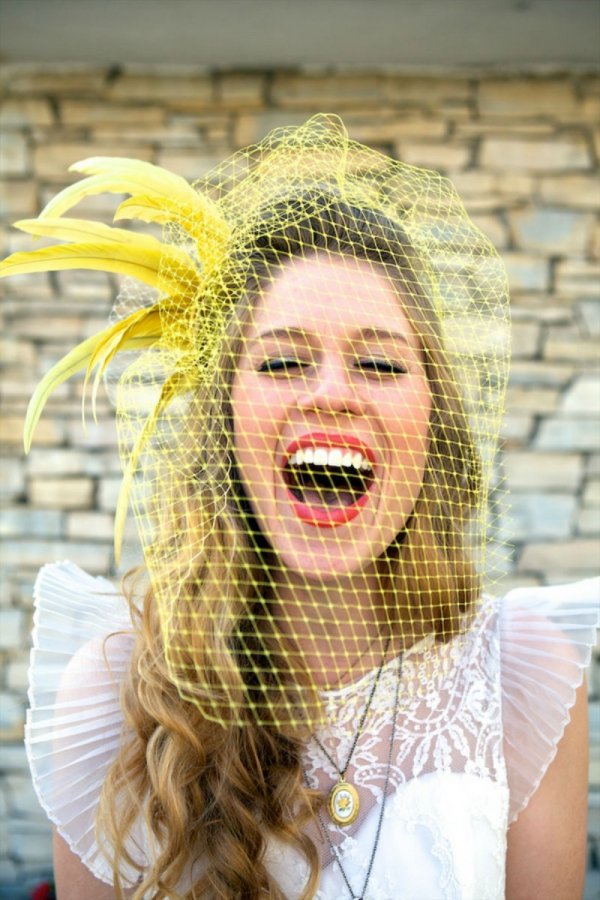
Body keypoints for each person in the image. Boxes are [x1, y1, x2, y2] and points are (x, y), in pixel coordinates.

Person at [2, 115, 598, 900]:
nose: (330, 394)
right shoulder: (112, 691)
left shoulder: (524, 674)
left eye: (379, 363)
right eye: (283, 360)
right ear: (224, 419)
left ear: (435, 423)